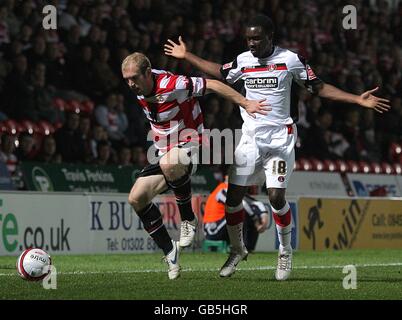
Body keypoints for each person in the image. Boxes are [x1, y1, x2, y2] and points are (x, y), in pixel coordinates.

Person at [164, 14, 391, 280]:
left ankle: (285, 251)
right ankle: (237, 250)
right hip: (249, 139)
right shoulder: (243, 61)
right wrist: (188, 55)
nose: (251, 43)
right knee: (233, 199)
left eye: (256, 38)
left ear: (270, 37)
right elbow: (220, 72)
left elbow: (318, 88)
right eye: (248, 38)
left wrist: (356, 99)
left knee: (275, 197)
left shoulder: (290, 60)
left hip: (280, 139)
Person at [121, 52, 269, 280]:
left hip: (192, 145)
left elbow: (214, 85)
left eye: (134, 78)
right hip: (164, 153)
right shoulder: (141, 88)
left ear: (148, 73)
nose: (131, 84)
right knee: (136, 198)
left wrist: (246, 102)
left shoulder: (174, 84)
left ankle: (188, 219)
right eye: (127, 80)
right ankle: (170, 251)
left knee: (170, 163)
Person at [204, 173, 269, 252]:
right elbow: (241, 204)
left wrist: (264, 217)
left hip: (222, 226)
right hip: (212, 229)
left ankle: (249, 248)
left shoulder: (235, 191)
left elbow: (255, 203)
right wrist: (255, 219)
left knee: (249, 211)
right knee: (241, 212)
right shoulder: (223, 189)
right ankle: (242, 247)